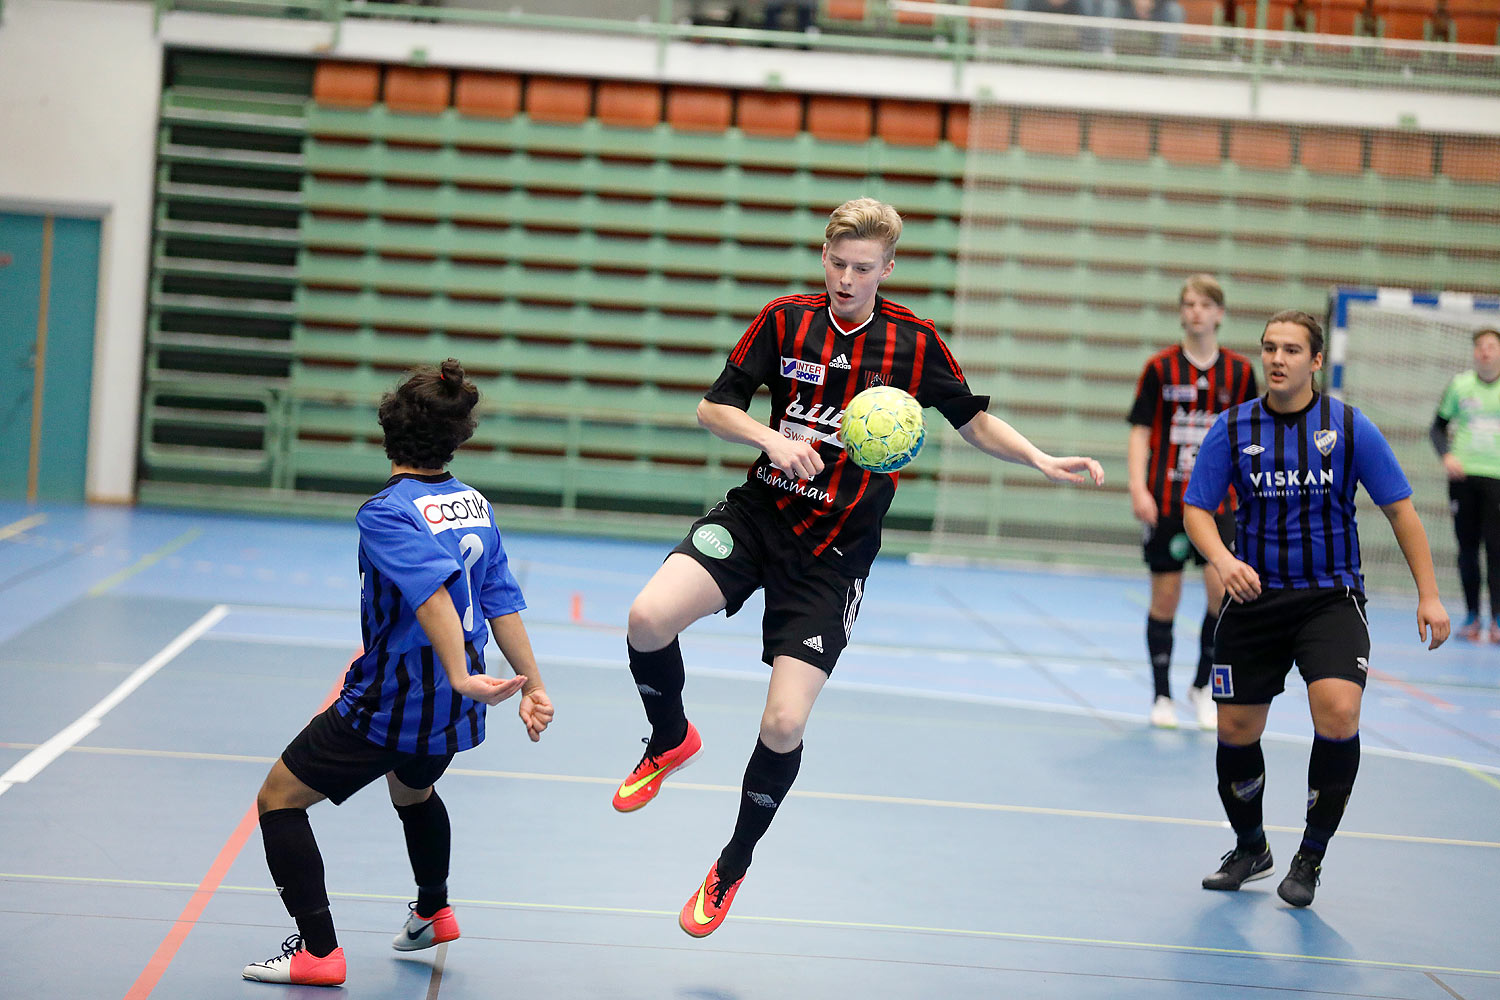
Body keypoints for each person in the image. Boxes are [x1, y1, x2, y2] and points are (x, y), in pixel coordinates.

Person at [612, 198, 1104, 938]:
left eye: (862, 268)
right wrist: (770, 439)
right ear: (825, 257)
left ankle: (731, 865)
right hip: (757, 516)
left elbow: (972, 420)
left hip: (834, 552)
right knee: (647, 618)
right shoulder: (786, 319)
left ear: (888, 269)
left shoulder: (913, 342)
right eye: (837, 263)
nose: (846, 279)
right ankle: (670, 735)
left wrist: (1038, 457)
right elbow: (715, 408)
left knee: (782, 723)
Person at [241, 360, 554, 986]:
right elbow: (499, 597)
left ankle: (319, 952)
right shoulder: (472, 502)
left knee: (278, 799)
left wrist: (461, 678)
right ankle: (433, 910)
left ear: (387, 435)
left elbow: (433, 596)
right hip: (456, 704)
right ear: (456, 438)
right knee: (413, 790)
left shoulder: (386, 512)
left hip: (398, 696)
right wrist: (534, 684)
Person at [1184, 310, 1448, 908]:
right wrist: (1224, 562)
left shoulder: (1350, 429)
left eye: (1292, 350)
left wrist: (1428, 594)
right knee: (1235, 731)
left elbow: (1401, 510)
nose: (1277, 359)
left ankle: (1310, 857)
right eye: (1270, 347)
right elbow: (1197, 509)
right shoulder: (1232, 429)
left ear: (1316, 361)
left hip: (1330, 597)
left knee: (1337, 711)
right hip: (1254, 599)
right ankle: (1250, 846)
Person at [1127, 275, 1258, 730]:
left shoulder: (1240, 373)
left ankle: (1202, 686)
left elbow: (1249, 438)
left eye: (1204, 304)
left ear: (1219, 313)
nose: (1196, 311)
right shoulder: (1159, 369)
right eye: (1188, 304)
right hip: (1166, 502)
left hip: (1220, 506)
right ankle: (1161, 695)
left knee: (1222, 594)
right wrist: (1138, 487)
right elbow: (1141, 430)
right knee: (1165, 598)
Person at [1431, 327, 1500, 642]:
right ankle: (1473, 617)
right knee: (1467, 549)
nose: (1485, 351)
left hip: (1496, 478)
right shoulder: (1460, 385)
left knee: (1496, 549)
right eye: (1480, 346)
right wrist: (1447, 456)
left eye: (1491, 346)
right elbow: (1437, 428)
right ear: (1474, 353)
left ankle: (1498, 620)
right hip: (1464, 479)